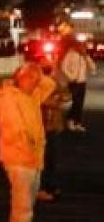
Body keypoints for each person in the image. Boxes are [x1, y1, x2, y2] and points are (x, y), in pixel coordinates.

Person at [0, 63, 56, 222]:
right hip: (20, 158)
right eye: (32, 79)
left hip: (32, 158)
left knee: (25, 202)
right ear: (22, 79)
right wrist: (29, 148)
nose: (36, 84)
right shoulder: (9, 99)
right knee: (23, 204)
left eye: (36, 80)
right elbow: (14, 130)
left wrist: (37, 71)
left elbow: (50, 85)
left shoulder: (31, 95)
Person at [38, 63, 70, 202]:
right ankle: (42, 188)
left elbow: (67, 95)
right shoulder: (36, 84)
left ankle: (50, 186)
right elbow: (42, 101)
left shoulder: (54, 82)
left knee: (51, 159)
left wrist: (57, 99)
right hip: (41, 127)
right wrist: (54, 100)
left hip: (52, 126)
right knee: (44, 159)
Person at [60, 39, 97, 132]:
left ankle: (78, 123)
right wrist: (71, 77)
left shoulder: (85, 56)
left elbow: (93, 67)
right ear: (77, 46)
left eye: (84, 46)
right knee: (76, 102)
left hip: (82, 82)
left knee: (80, 104)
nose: (82, 47)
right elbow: (63, 67)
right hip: (73, 82)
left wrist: (86, 57)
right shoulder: (70, 54)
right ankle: (70, 121)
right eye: (80, 45)